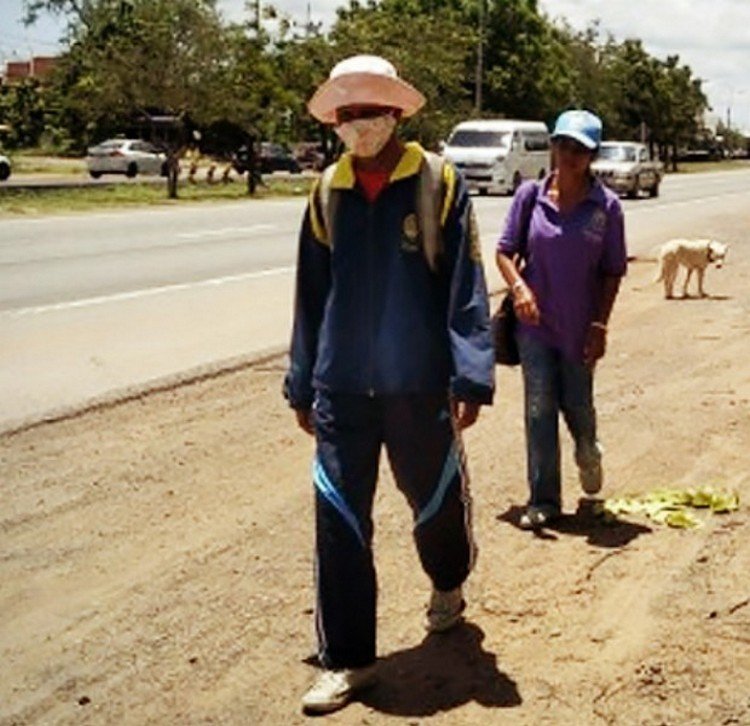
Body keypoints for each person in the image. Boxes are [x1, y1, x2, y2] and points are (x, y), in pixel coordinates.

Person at [283, 54, 495, 714]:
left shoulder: (438, 182)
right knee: (339, 519)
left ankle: (448, 583)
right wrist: (301, 382)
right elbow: (310, 296)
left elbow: (465, 285)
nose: (358, 123)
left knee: (433, 505)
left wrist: (471, 373)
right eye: (345, 113)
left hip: (419, 384)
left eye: (369, 109)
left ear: (397, 111)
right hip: (342, 387)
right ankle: (347, 659)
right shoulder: (327, 191)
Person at [495, 109, 627, 530]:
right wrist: (519, 288)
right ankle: (545, 499)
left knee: (577, 405)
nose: (569, 156)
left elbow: (612, 271)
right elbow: (504, 250)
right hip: (534, 325)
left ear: (592, 156)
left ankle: (588, 450)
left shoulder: (606, 208)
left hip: (580, 327)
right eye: (563, 145)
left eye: (579, 150)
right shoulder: (529, 197)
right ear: (553, 146)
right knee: (538, 409)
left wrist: (600, 326)